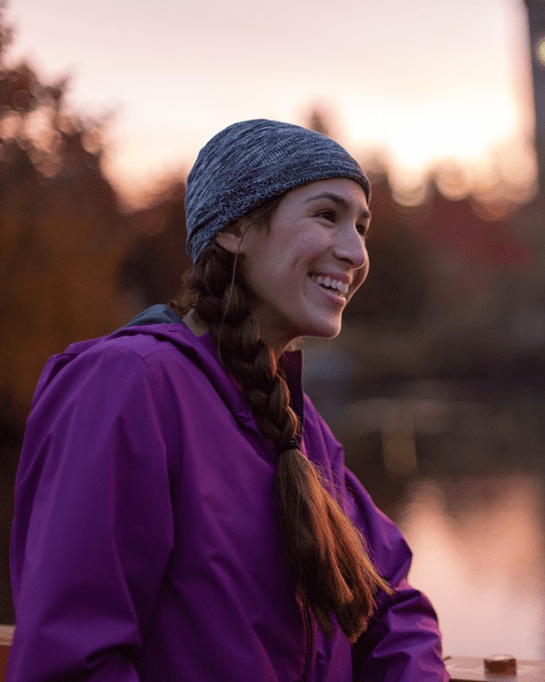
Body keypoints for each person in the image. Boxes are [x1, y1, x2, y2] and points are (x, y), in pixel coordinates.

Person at [8, 119, 449, 680]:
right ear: (236, 229)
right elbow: (70, 660)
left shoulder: (297, 426)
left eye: (361, 227)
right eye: (326, 215)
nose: (355, 252)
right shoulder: (127, 385)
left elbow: (393, 603)